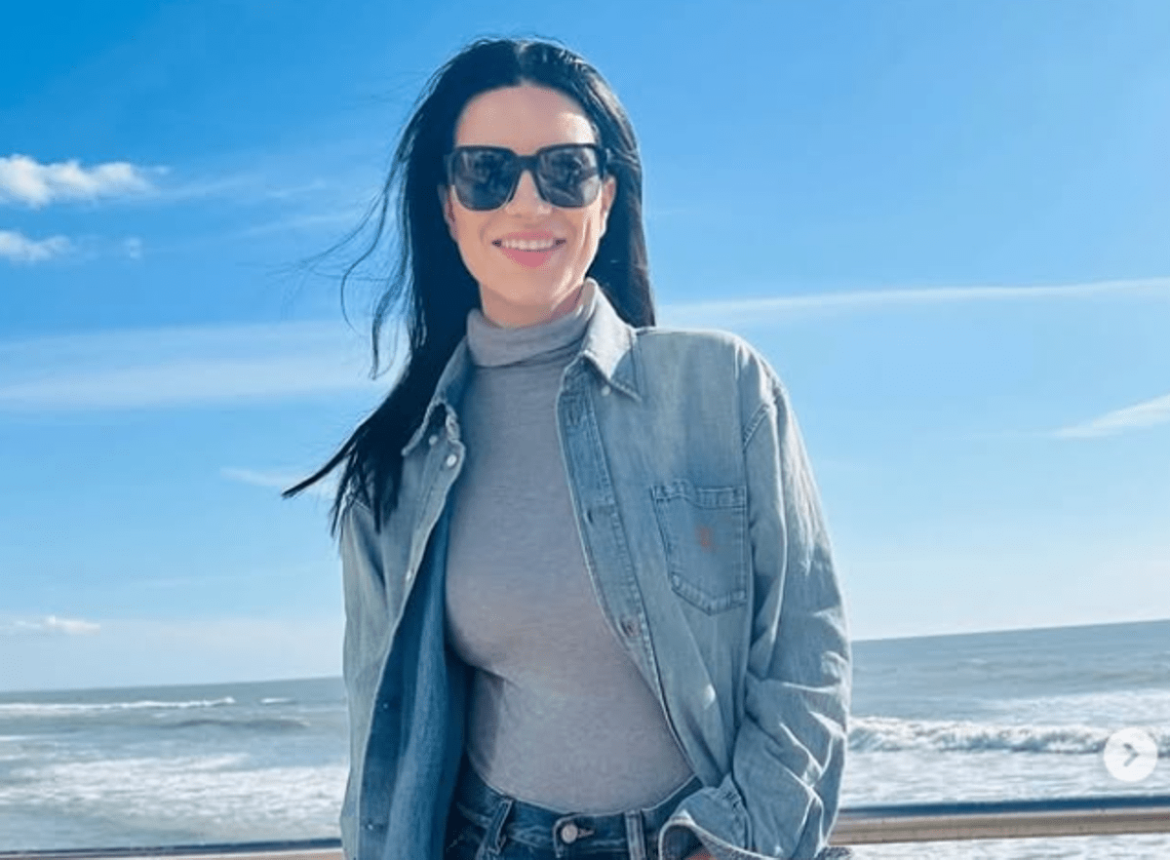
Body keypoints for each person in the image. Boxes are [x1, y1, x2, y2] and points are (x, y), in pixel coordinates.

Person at [288, 37, 852, 860]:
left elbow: (806, 655)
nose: (528, 202)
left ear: (606, 197)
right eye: (487, 172)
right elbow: (382, 745)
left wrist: (730, 846)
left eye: (565, 171)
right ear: (448, 204)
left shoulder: (723, 387)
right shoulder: (396, 466)